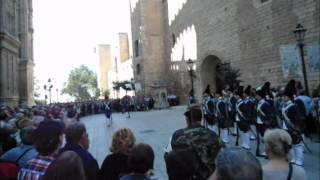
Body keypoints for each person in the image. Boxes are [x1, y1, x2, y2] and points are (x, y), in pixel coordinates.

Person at [165, 104, 221, 180]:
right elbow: (222, 160)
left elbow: (168, 157)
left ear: (187, 119)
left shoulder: (177, 135)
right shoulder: (213, 135)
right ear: (201, 119)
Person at [281, 80, 304, 166]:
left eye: (285, 96)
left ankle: (299, 160)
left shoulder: (293, 106)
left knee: (297, 145)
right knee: (290, 144)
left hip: (293, 128)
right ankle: (294, 158)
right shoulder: (284, 105)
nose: (283, 98)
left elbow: (297, 119)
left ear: (289, 97)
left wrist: (297, 129)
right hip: (286, 128)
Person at [255, 87, 277, 157]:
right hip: (259, 122)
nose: (256, 97)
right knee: (263, 137)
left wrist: (266, 122)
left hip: (264, 123)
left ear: (260, 96)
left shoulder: (265, 104)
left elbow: (268, 115)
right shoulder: (258, 103)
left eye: (257, 95)